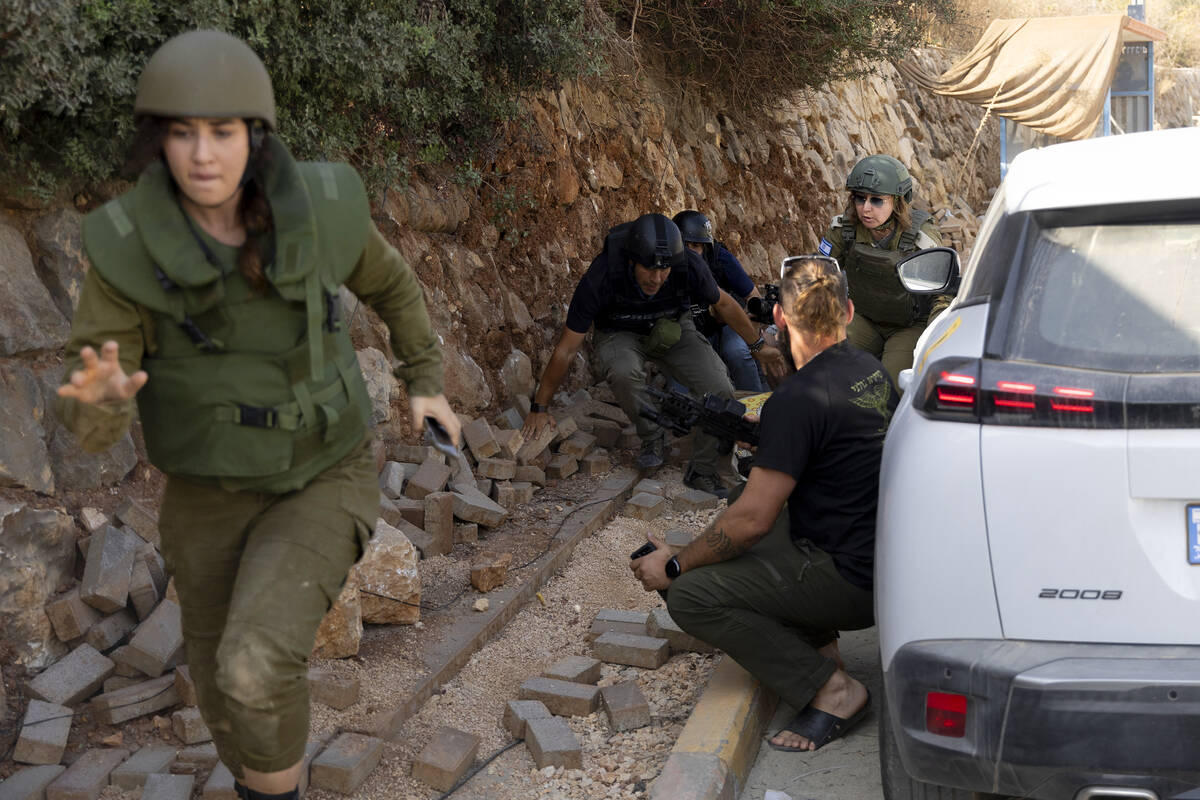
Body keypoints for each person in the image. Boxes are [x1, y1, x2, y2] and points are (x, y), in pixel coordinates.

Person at [55, 30, 460, 800]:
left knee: (252, 663)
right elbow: (93, 413)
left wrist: (425, 378)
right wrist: (101, 406)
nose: (202, 154)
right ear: (159, 142)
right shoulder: (128, 249)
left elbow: (395, 288)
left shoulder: (320, 210)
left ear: (255, 135)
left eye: (222, 131)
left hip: (322, 472)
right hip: (204, 492)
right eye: (182, 133)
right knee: (218, 686)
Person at [631, 254, 897, 752]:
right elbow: (840, 454)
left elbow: (752, 523)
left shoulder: (798, 400)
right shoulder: (868, 369)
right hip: (886, 562)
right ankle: (824, 651)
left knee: (692, 593)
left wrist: (674, 563)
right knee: (739, 495)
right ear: (848, 312)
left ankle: (834, 690)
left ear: (777, 318)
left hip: (851, 580)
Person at [521, 213, 786, 497]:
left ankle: (704, 469)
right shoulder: (603, 275)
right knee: (624, 372)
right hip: (618, 331)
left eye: (664, 271)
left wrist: (757, 348)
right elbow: (567, 348)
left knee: (719, 386)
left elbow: (724, 304)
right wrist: (540, 408)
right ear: (633, 260)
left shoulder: (687, 263)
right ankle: (652, 437)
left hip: (672, 325)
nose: (657, 278)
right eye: (649, 269)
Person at [819, 154, 945, 385]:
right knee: (827, 367)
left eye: (877, 200)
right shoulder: (845, 230)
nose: (865, 209)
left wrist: (934, 338)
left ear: (897, 202)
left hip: (908, 326)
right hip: (863, 318)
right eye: (859, 198)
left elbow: (942, 294)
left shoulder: (920, 239)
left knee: (892, 385)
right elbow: (819, 276)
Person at [672, 210, 765, 392]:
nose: (691, 252)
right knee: (680, 379)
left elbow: (754, 297)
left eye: (697, 246)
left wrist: (746, 327)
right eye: (686, 245)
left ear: (706, 247)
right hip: (691, 329)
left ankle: (756, 405)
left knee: (736, 352)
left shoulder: (719, 258)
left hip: (727, 322)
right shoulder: (666, 266)